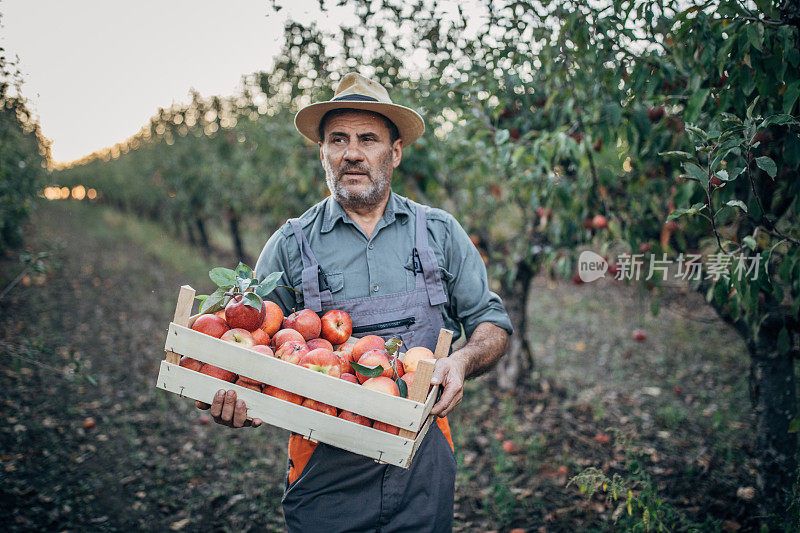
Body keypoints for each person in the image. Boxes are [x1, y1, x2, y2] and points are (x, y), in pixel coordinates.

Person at [198, 72, 512, 532]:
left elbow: (491, 322)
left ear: (395, 152)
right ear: (322, 152)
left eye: (368, 138)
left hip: (421, 461)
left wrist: (461, 361)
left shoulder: (439, 233)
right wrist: (236, 399)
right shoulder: (291, 245)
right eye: (338, 139)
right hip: (326, 469)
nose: (352, 152)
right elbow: (252, 347)